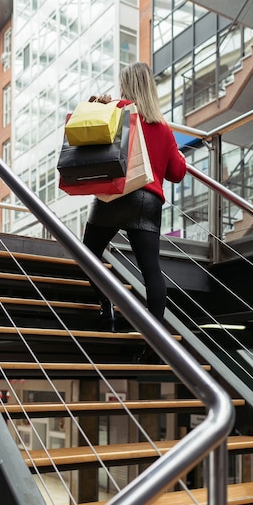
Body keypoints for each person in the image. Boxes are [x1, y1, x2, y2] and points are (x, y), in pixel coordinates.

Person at [83, 62, 187, 343]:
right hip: (147, 201)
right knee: (151, 271)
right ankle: (156, 340)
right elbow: (177, 173)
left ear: (125, 84)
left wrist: (99, 106)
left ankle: (107, 307)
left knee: (88, 256)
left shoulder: (116, 111)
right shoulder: (163, 127)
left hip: (112, 195)